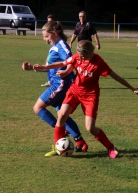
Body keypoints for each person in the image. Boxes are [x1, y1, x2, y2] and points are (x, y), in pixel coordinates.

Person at [34, 40, 138, 159]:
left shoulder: (99, 63)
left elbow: (116, 77)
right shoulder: (77, 57)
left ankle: (110, 147)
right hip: (74, 91)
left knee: (90, 128)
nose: (79, 57)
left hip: (90, 96)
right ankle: (57, 147)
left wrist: (132, 88)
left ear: (90, 53)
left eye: (82, 55)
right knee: (61, 116)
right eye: (79, 55)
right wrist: (46, 67)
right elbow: (63, 63)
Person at [21, 21, 88, 157]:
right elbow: (49, 67)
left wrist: (66, 72)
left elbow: (71, 61)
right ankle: (80, 142)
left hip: (61, 84)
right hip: (58, 83)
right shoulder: (54, 46)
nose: (44, 39)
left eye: (46, 36)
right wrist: (33, 67)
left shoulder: (61, 45)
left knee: (38, 108)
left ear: (54, 33)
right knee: (61, 114)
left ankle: (60, 134)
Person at [41, 14, 55, 87]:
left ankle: (51, 81)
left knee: (49, 63)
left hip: (54, 47)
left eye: (50, 21)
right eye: (48, 21)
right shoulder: (47, 27)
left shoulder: (55, 28)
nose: (49, 22)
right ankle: (50, 81)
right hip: (52, 47)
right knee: (48, 63)